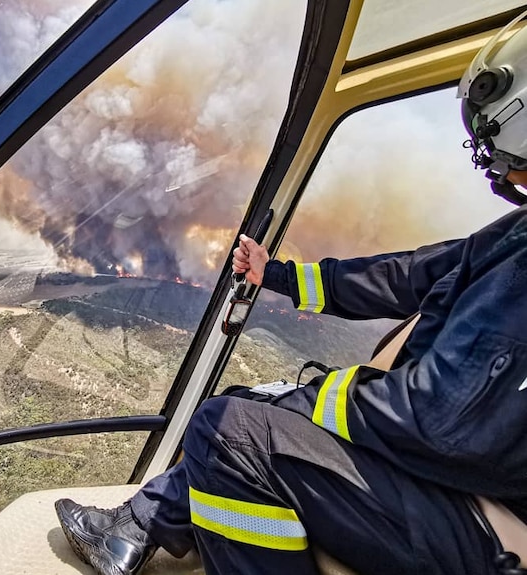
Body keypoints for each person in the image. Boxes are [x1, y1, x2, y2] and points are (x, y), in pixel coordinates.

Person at [54, 11, 527, 575]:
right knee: (248, 408)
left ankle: (134, 528)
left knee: (226, 429)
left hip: (490, 525)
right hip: (469, 485)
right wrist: (276, 276)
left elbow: (438, 418)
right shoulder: (512, 237)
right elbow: (407, 275)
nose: (502, 173)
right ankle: (133, 529)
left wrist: (305, 400)